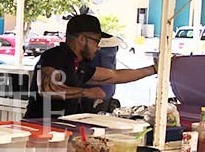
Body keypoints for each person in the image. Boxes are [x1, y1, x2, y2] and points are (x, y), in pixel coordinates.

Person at [23, 14, 156, 119]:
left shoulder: (78, 65)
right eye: (96, 41)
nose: (98, 48)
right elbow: (48, 89)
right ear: (82, 39)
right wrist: (85, 92)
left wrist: (153, 69)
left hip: (59, 130)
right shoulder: (54, 56)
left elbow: (114, 76)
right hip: (38, 128)